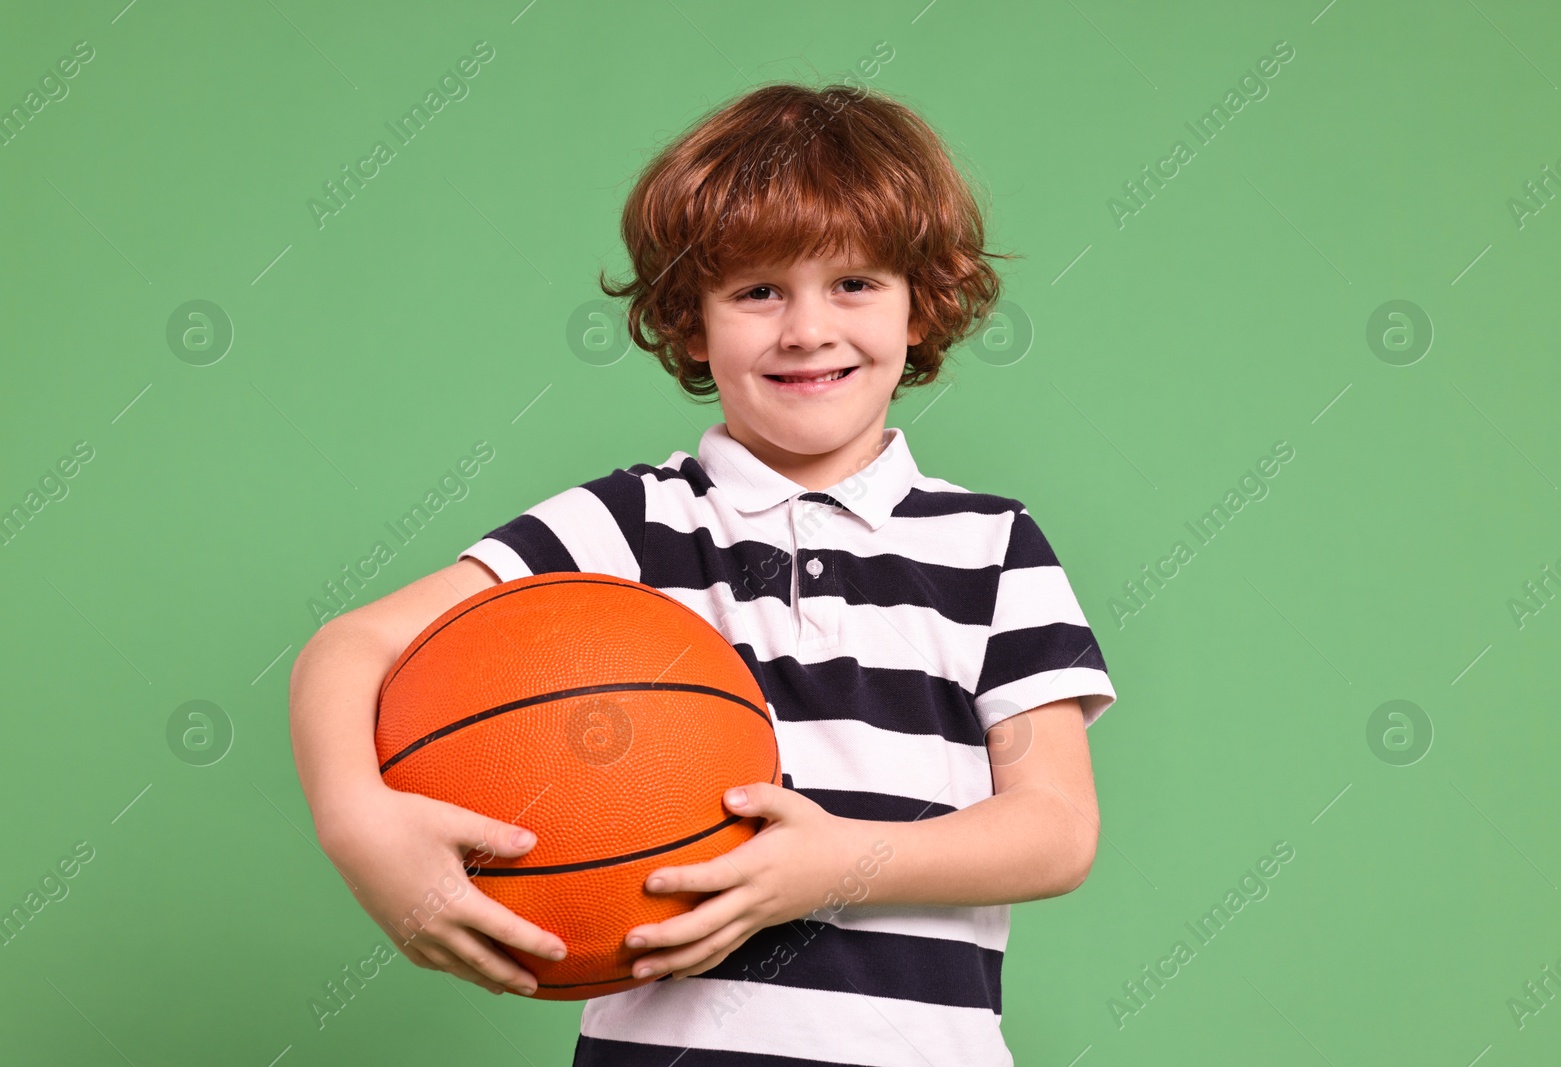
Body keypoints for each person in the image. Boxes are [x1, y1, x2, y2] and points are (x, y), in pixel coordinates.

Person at [289, 80, 1116, 1066]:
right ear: (690, 321)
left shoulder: (989, 546)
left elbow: (1055, 828)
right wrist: (359, 826)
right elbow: (353, 645)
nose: (807, 328)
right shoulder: (630, 525)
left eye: (853, 283)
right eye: (758, 290)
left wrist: (832, 865)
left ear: (920, 306)